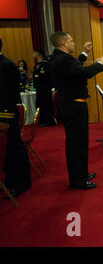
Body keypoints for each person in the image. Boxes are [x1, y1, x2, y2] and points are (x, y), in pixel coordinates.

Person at [48, 32, 103, 190]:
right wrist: (99, 65)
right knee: (76, 144)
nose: (74, 43)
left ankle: (82, 174)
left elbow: (74, 67)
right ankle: (78, 180)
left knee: (79, 142)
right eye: (71, 40)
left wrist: (84, 53)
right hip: (74, 106)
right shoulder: (63, 59)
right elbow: (82, 72)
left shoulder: (58, 58)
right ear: (64, 43)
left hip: (71, 105)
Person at [0, 38, 31, 197]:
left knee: (14, 150)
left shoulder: (6, 65)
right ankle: (10, 181)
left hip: (6, 116)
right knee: (7, 152)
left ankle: (22, 182)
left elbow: (10, 95)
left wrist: (4, 118)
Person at [32, 50, 56, 127]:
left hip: (45, 88)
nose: (33, 54)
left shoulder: (45, 64)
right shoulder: (37, 65)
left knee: (46, 104)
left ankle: (49, 120)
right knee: (40, 104)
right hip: (39, 88)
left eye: (34, 52)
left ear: (39, 54)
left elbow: (45, 76)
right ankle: (42, 120)